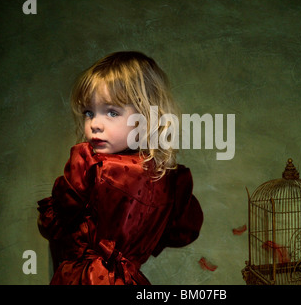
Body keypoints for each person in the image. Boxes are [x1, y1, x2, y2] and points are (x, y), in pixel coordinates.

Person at [37, 51, 203, 285]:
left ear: (146, 117)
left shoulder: (91, 165)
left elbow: (55, 220)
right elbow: (182, 233)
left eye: (112, 112)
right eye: (88, 113)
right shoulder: (170, 181)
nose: (95, 124)